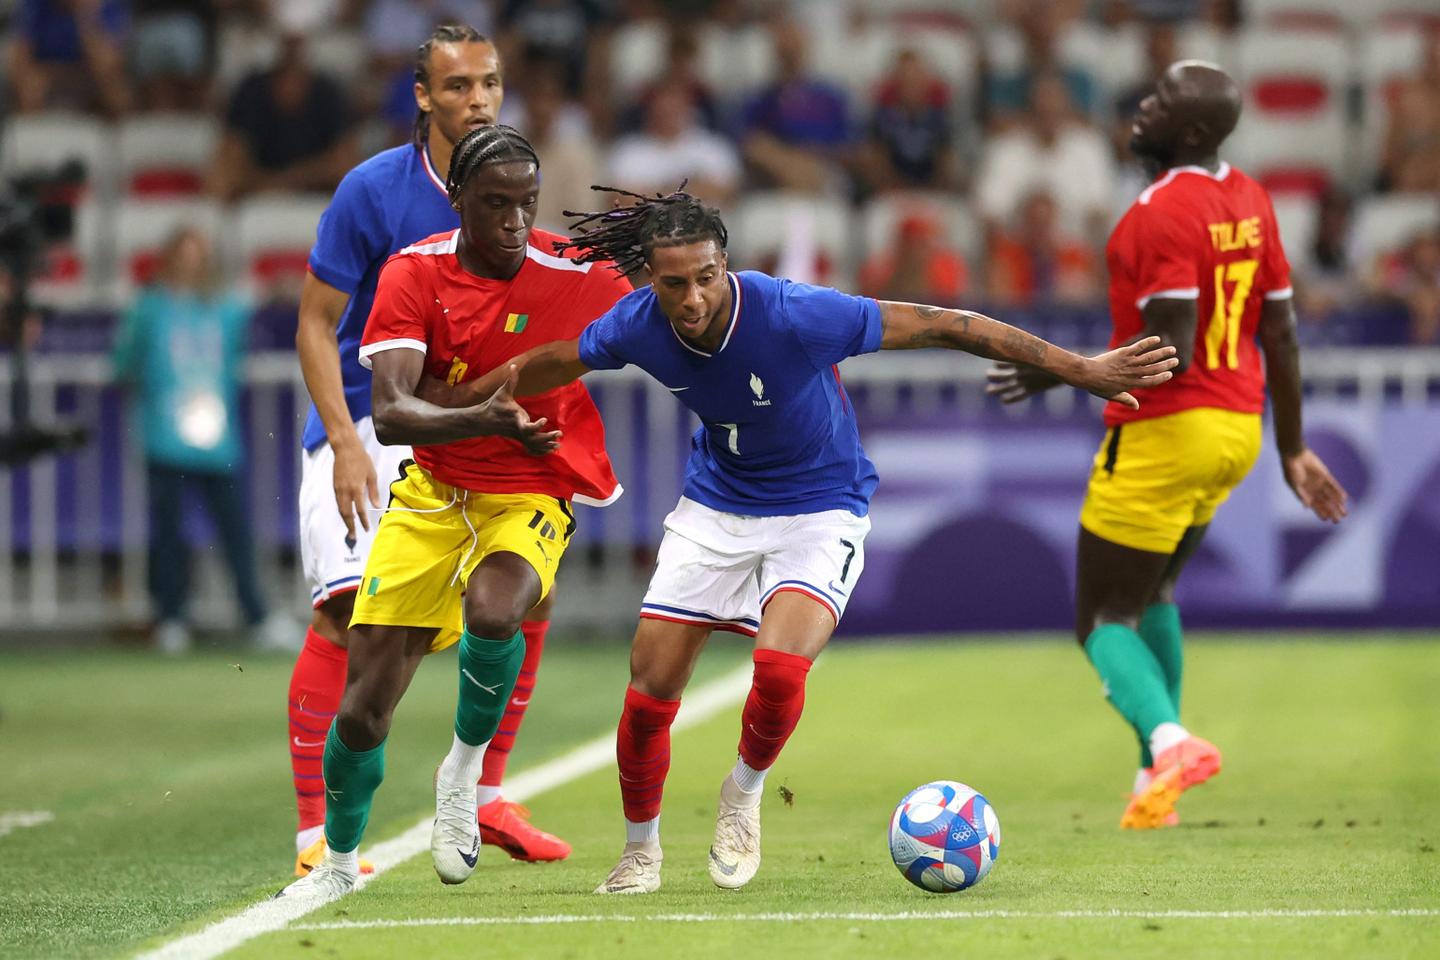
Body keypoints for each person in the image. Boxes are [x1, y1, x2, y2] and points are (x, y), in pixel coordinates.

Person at [427, 184, 1178, 893]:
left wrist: (1079, 367)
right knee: (650, 689)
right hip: (715, 509)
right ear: (651, 281)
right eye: (674, 284)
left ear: (725, 264)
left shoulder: (795, 313)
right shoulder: (637, 324)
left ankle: (743, 795)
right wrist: (455, 407)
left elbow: (947, 324)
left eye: (706, 278)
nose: (692, 298)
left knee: (781, 670)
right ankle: (640, 850)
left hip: (820, 508)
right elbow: (555, 360)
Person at [987, 61, 1349, 830]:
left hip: (1167, 430)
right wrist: (1290, 446)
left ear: (1191, 131)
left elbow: (1172, 350)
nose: (1142, 107)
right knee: (1154, 595)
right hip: (1236, 431)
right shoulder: (1251, 198)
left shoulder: (1159, 212)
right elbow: (1280, 332)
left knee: (1101, 618)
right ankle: (1157, 781)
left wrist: (1056, 371)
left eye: (1161, 102)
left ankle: (1169, 741)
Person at [278, 124, 633, 904]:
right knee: (365, 710)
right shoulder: (413, 273)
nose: (515, 222)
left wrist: (695, 258)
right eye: (496, 204)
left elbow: (676, 310)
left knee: (497, 609)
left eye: (527, 204)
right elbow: (392, 413)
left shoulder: (574, 270)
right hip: (432, 493)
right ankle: (334, 860)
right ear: (460, 200)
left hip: (529, 488)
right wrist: (484, 417)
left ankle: (462, 780)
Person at [110, 226, 287, 654]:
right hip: (164, 437)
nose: (191, 265)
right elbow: (123, 362)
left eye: (199, 256)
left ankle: (256, 615)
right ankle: (171, 617)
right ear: (169, 259)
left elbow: (252, 316)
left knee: (235, 531)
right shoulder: (150, 309)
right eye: (185, 255)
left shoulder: (224, 308)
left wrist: (280, 291)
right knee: (168, 534)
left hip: (217, 440)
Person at [208, 31, 358, 203]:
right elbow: (231, 153)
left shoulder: (329, 92)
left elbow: (344, 160)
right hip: (255, 193)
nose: (292, 45)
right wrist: (269, 185)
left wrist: (289, 181)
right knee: (222, 173)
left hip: (316, 195)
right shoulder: (250, 90)